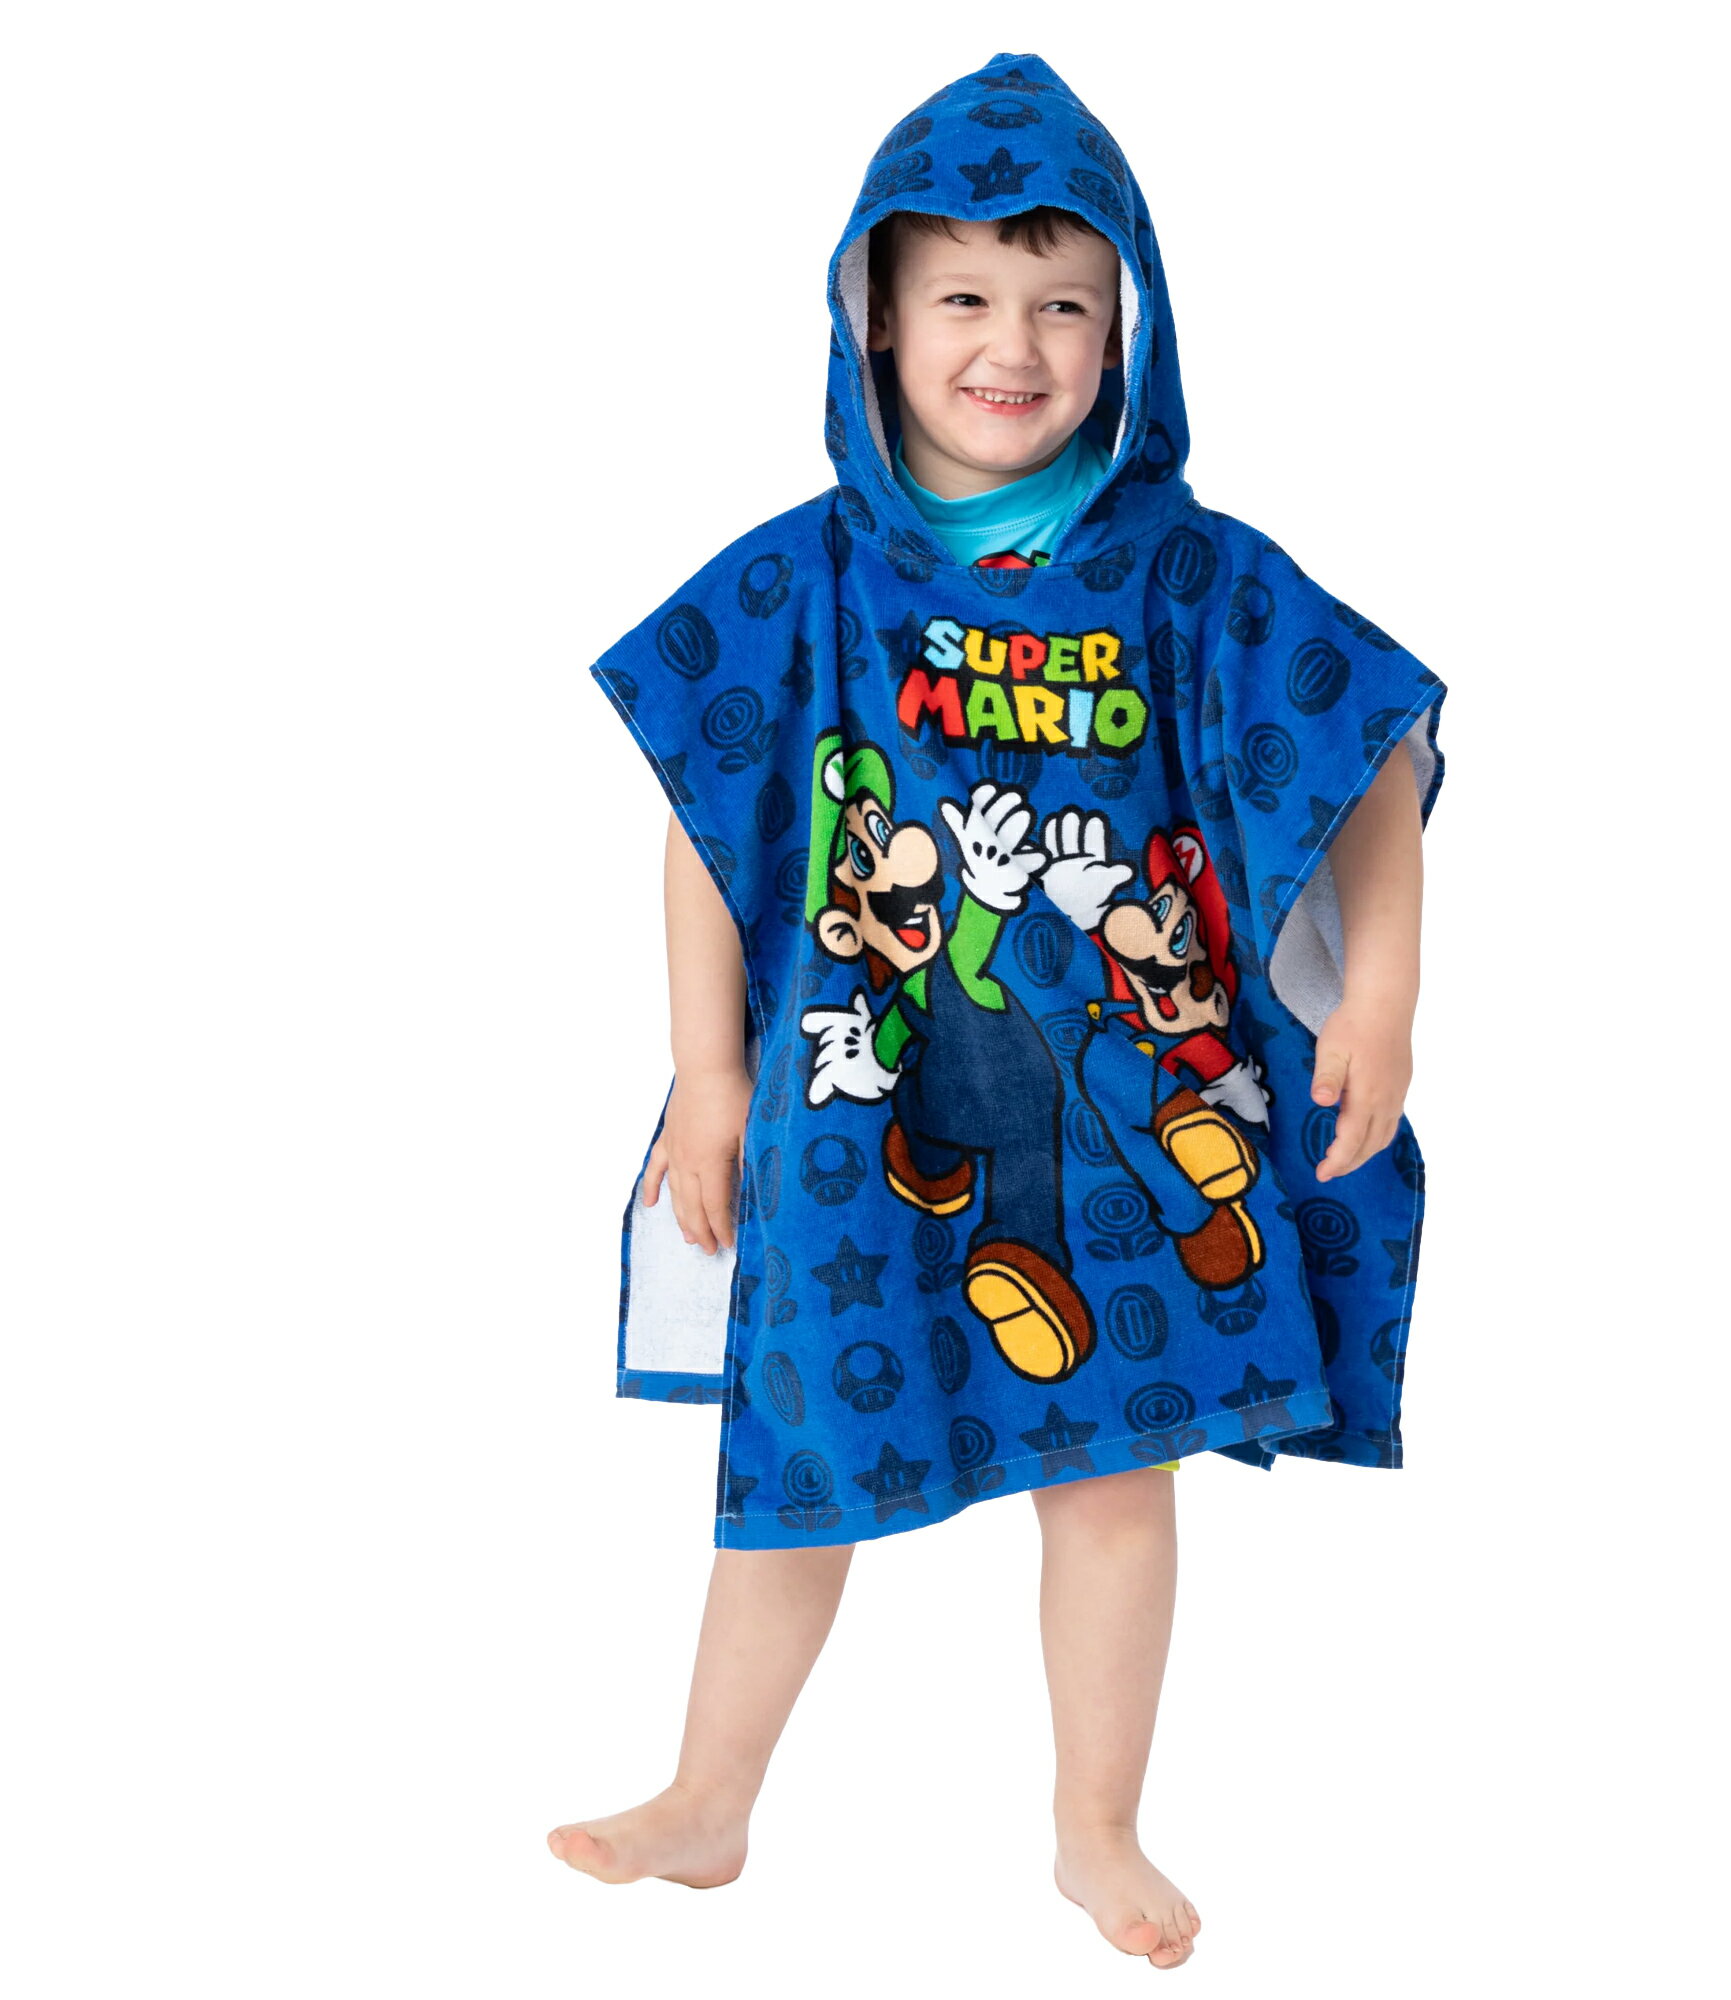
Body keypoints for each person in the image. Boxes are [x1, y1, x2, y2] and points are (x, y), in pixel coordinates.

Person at [550, 51, 1446, 1971]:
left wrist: (1382, 992)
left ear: (1130, 328)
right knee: (795, 1456)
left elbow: (1367, 742)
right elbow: (704, 821)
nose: (1012, 346)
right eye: (962, 294)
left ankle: (1095, 1824)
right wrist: (703, 1073)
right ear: (874, 316)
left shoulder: (1187, 574)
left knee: (1115, 1471)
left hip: (1122, 1100)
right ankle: (708, 1799)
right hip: (855, 1099)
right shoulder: (806, 582)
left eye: (1064, 301)